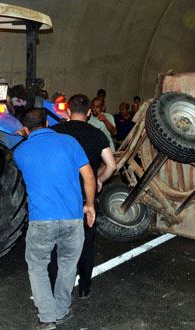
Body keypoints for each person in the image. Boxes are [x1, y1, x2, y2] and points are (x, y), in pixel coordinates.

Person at [13, 108, 96, 329]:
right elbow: (89, 176)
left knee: (38, 267)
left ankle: (47, 318)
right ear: (48, 123)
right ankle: (61, 310)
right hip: (72, 218)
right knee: (68, 266)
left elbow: (33, 160)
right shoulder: (70, 142)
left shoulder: (20, 152)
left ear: (26, 129)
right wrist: (89, 205)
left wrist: (26, 138)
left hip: (41, 221)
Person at [50, 94, 117, 299]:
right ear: (89, 112)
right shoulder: (97, 134)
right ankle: (85, 288)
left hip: (58, 197)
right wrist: (98, 179)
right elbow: (112, 165)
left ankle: (55, 287)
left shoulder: (54, 132)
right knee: (86, 244)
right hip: (84, 196)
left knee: (56, 245)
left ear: (68, 111)